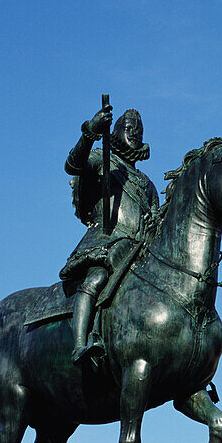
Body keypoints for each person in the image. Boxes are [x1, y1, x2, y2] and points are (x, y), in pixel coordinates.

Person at [61, 102, 160, 364]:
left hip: (137, 252)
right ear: (115, 132)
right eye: (129, 128)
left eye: (139, 130)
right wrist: (90, 132)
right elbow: (73, 165)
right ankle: (80, 344)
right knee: (96, 279)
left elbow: (155, 222)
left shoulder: (147, 184)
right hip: (106, 242)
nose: (135, 133)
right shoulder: (102, 160)